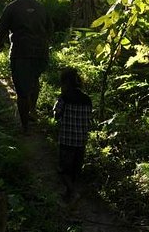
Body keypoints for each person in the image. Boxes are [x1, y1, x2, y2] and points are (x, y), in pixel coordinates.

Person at [0, 0, 51, 133]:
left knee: (22, 91)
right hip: (41, 52)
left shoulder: (12, 8)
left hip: (21, 53)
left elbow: (0, 32)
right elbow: (50, 29)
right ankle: (32, 111)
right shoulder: (41, 7)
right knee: (34, 80)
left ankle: (25, 127)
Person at [53, 67, 93, 205]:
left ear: (65, 83)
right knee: (75, 170)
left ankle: (73, 193)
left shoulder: (64, 98)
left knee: (63, 169)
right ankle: (69, 193)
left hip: (66, 140)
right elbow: (88, 119)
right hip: (81, 141)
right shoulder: (87, 99)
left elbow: (56, 115)